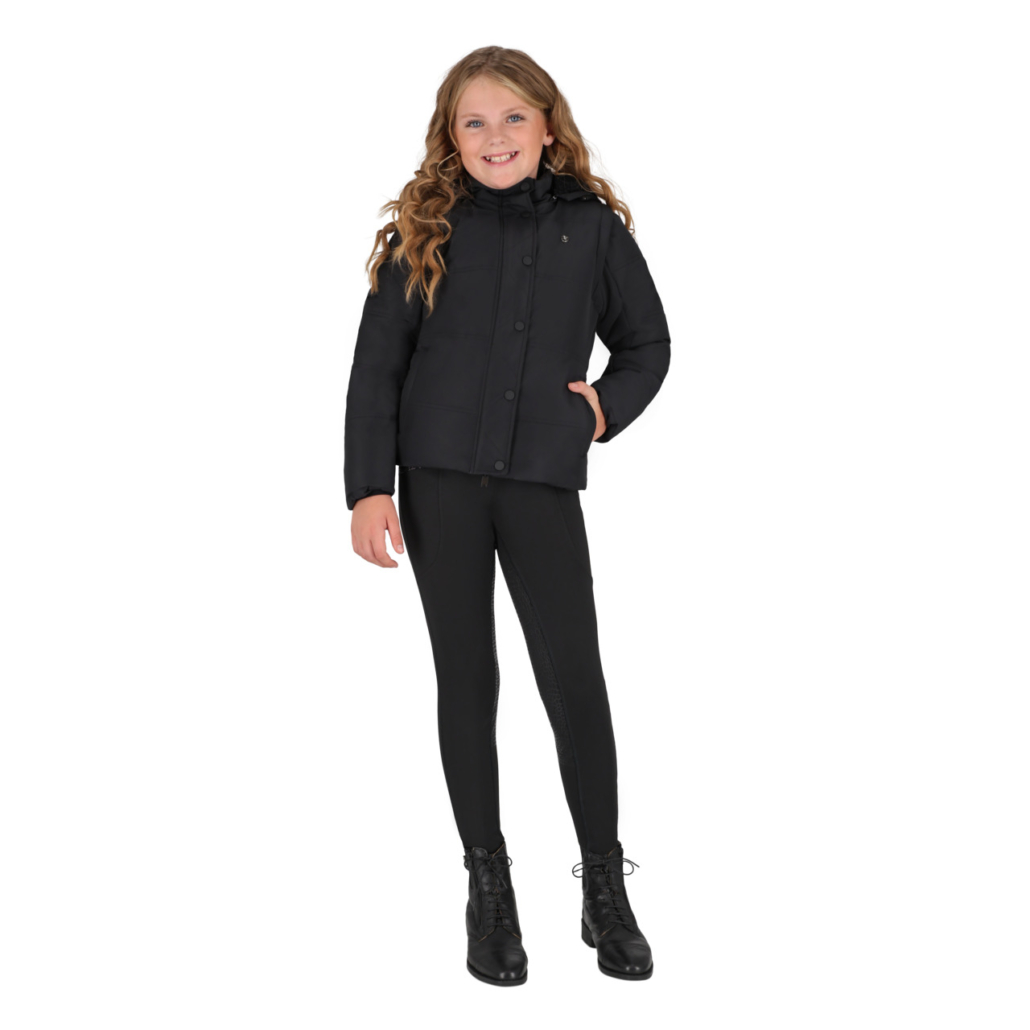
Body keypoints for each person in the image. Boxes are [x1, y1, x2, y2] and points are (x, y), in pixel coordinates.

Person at [343, 46, 671, 985]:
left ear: (548, 126)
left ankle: (604, 886)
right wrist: (368, 487)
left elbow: (647, 343)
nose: (496, 137)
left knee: (575, 681)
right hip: (438, 486)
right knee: (468, 679)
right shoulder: (422, 231)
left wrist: (601, 408)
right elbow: (377, 368)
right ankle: (489, 887)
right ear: (451, 136)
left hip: (539, 483)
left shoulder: (591, 230)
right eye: (475, 122)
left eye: (514, 117)